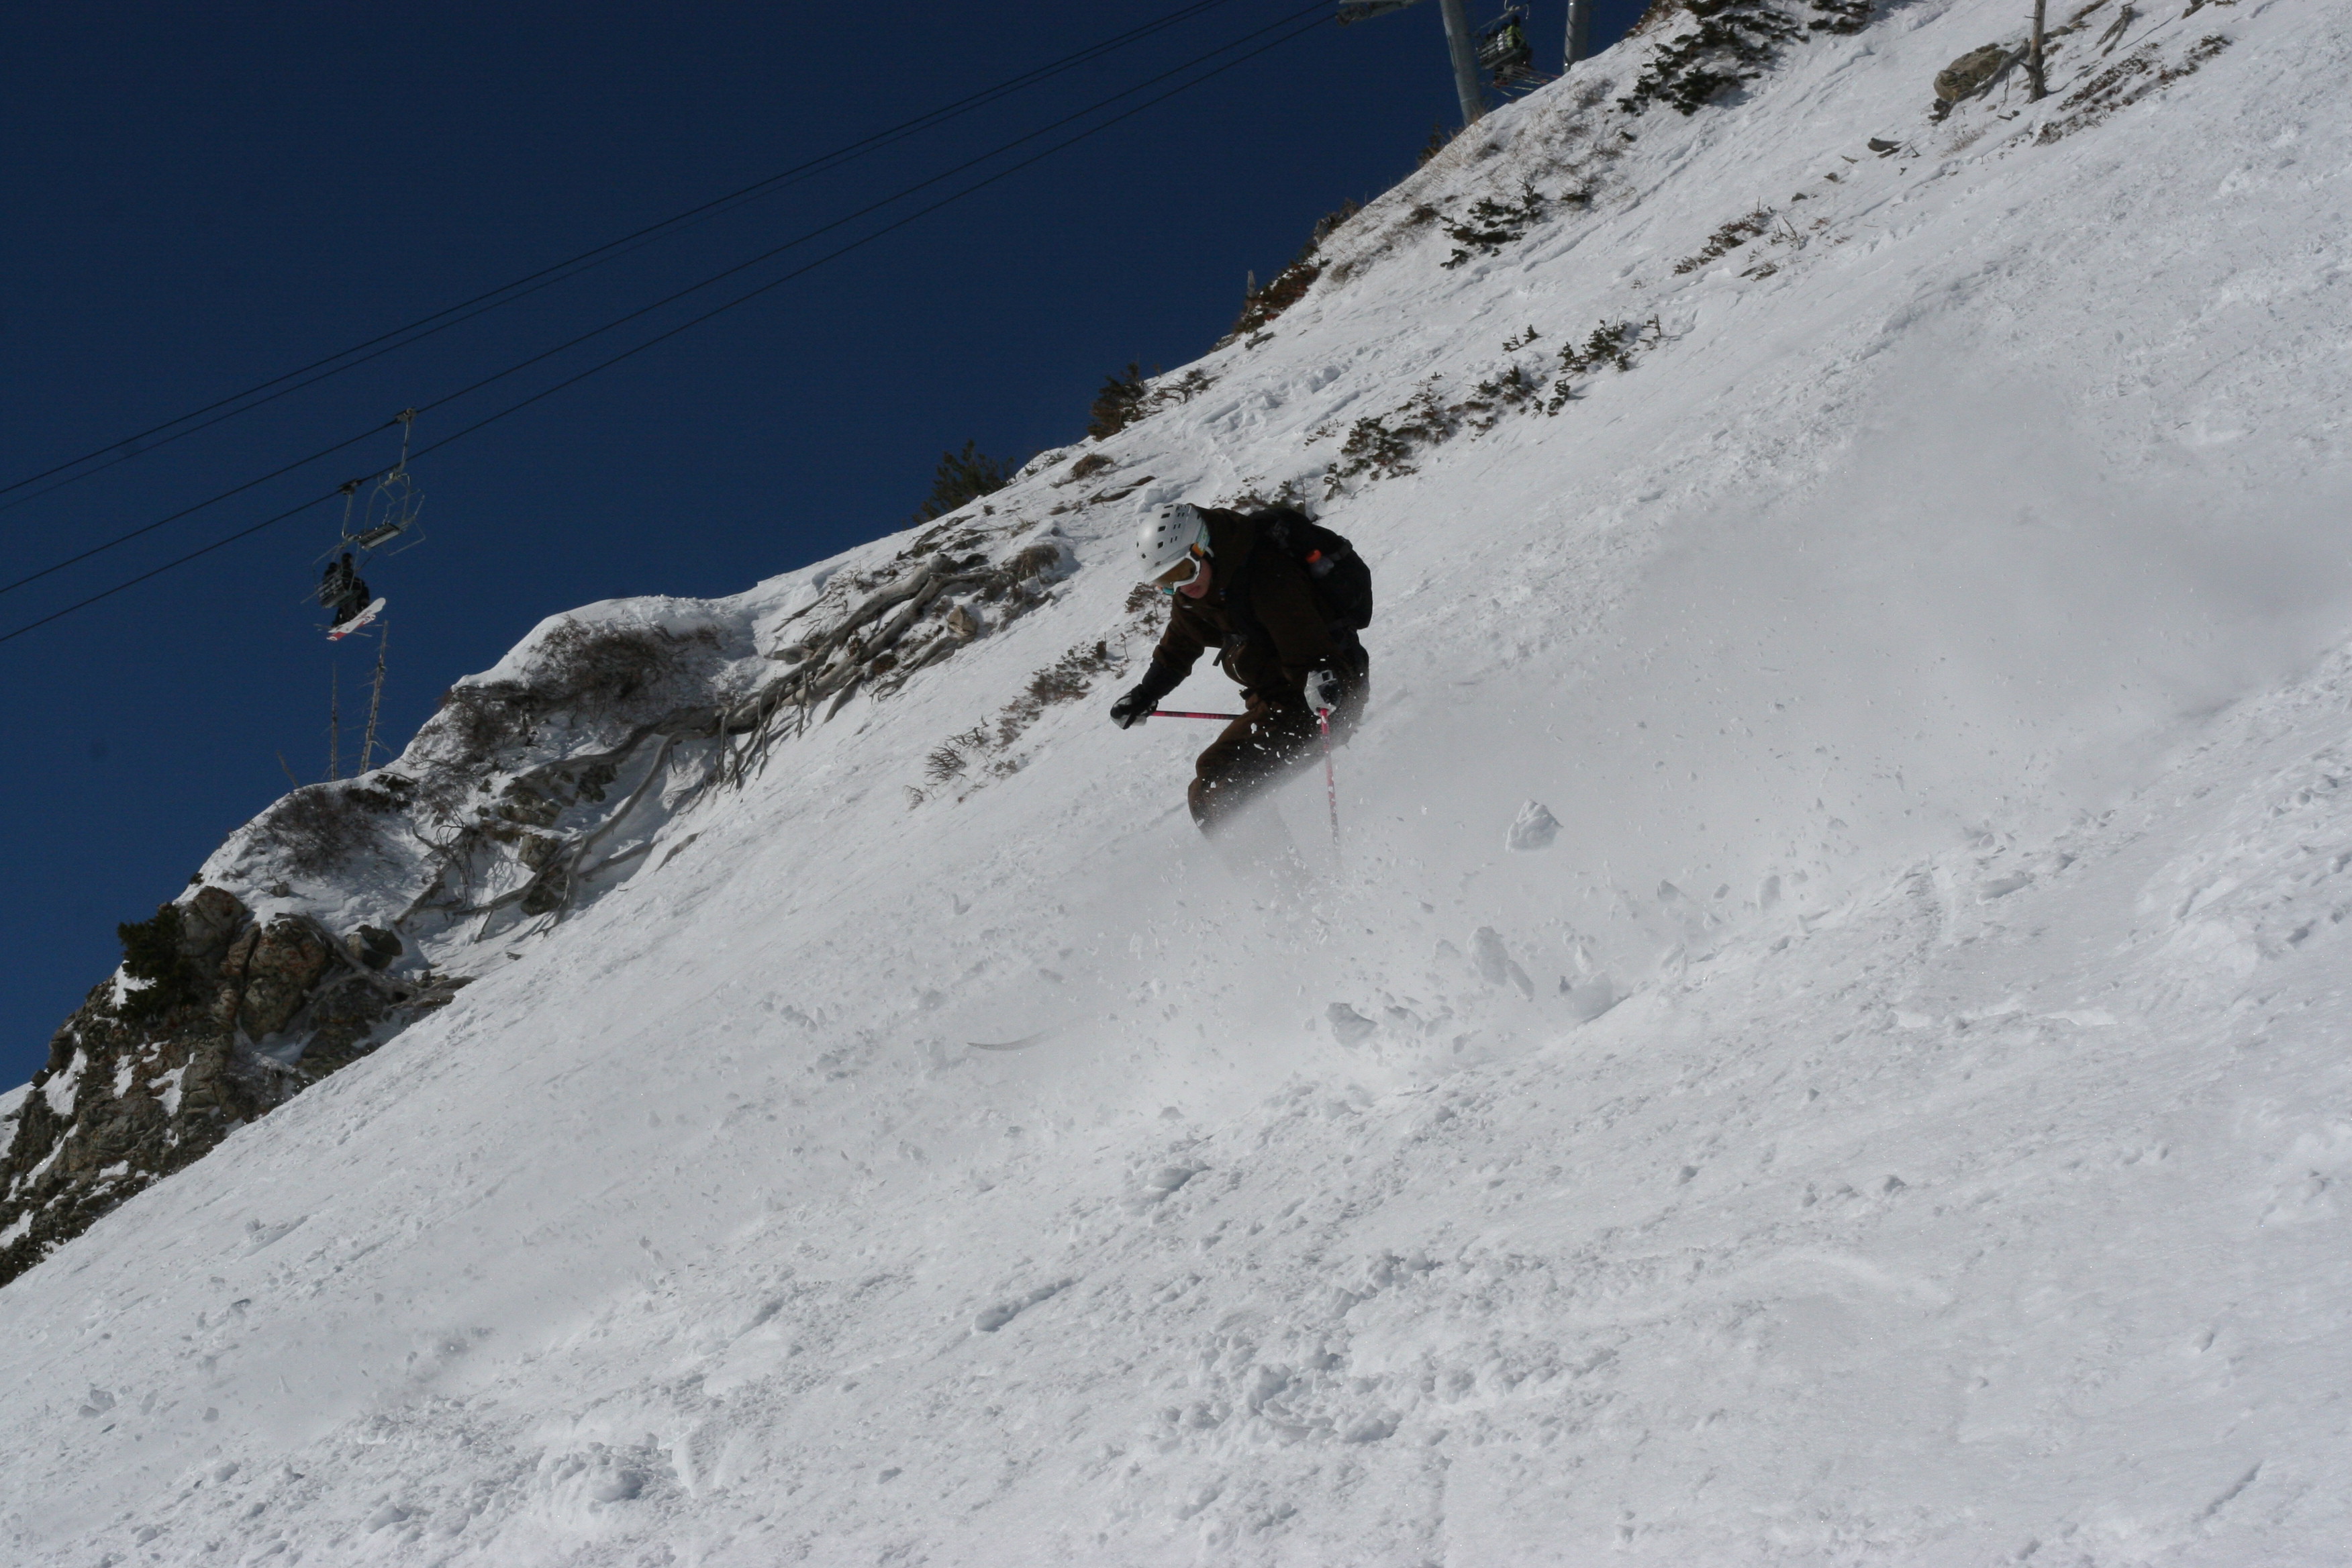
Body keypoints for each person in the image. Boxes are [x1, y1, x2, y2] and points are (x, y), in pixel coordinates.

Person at [1110, 503, 1369, 833]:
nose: (1179, 586)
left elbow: (1305, 638)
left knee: (1229, 791)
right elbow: (1178, 646)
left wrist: (1320, 676)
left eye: (1182, 572)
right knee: (1208, 784)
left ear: (1202, 547)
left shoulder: (1264, 574)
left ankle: (1286, 882)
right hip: (1278, 700)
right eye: (1165, 582)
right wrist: (1145, 693)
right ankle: (1268, 883)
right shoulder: (1196, 591)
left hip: (1325, 698)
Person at [319, 552, 372, 626]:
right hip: (343, 588)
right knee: (362, 590)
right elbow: (348, 578)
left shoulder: (328, 576)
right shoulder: (344, 569)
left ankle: (339, 620)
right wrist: (359, 581)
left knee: (343, 603)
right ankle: (363, 606)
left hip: (333, 594)